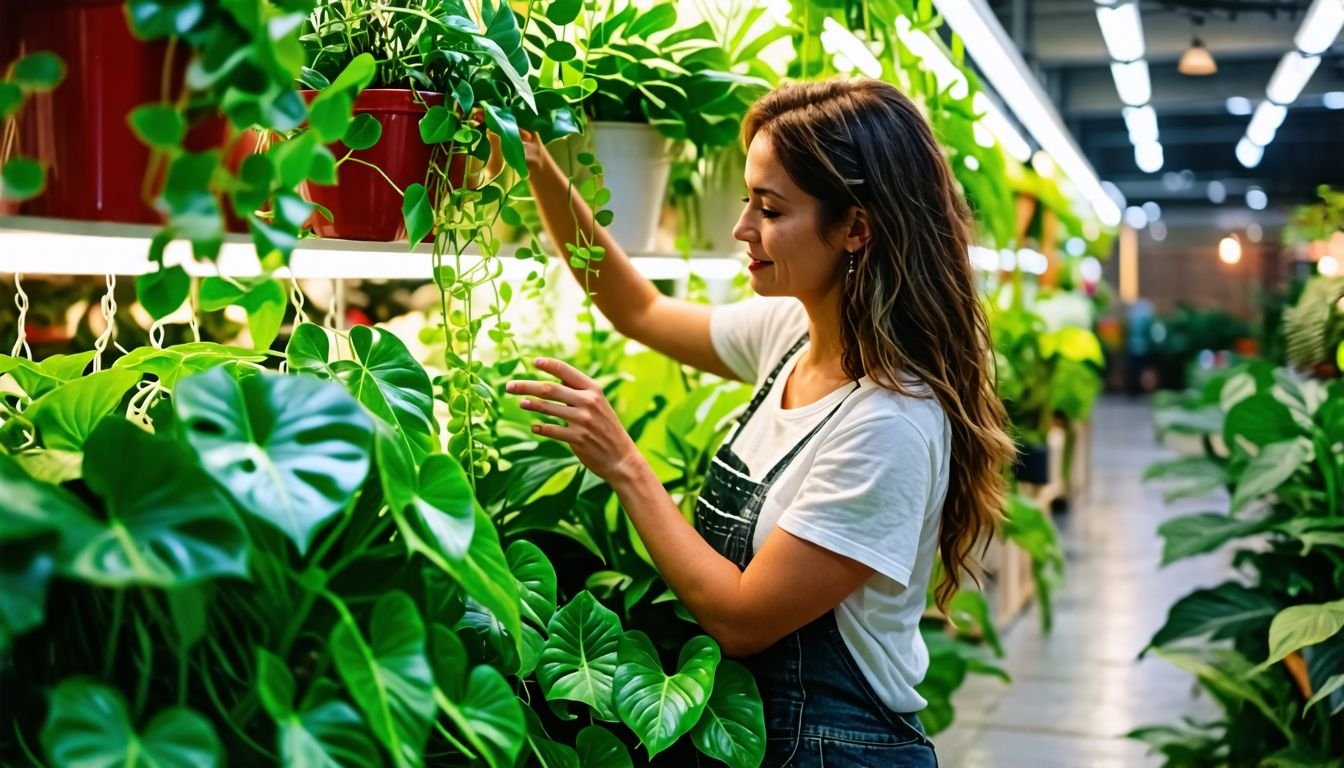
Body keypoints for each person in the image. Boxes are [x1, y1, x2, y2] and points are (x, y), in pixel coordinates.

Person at [503, 78, 1015, 767]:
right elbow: (639, 312)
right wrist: (536, 165)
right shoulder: (789, 333)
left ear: (856, 228)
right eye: (748, 199)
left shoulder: (889, 422)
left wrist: (624, 464)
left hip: (839, 749)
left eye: (769, 209)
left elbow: (741, 618)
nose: (742, 227)